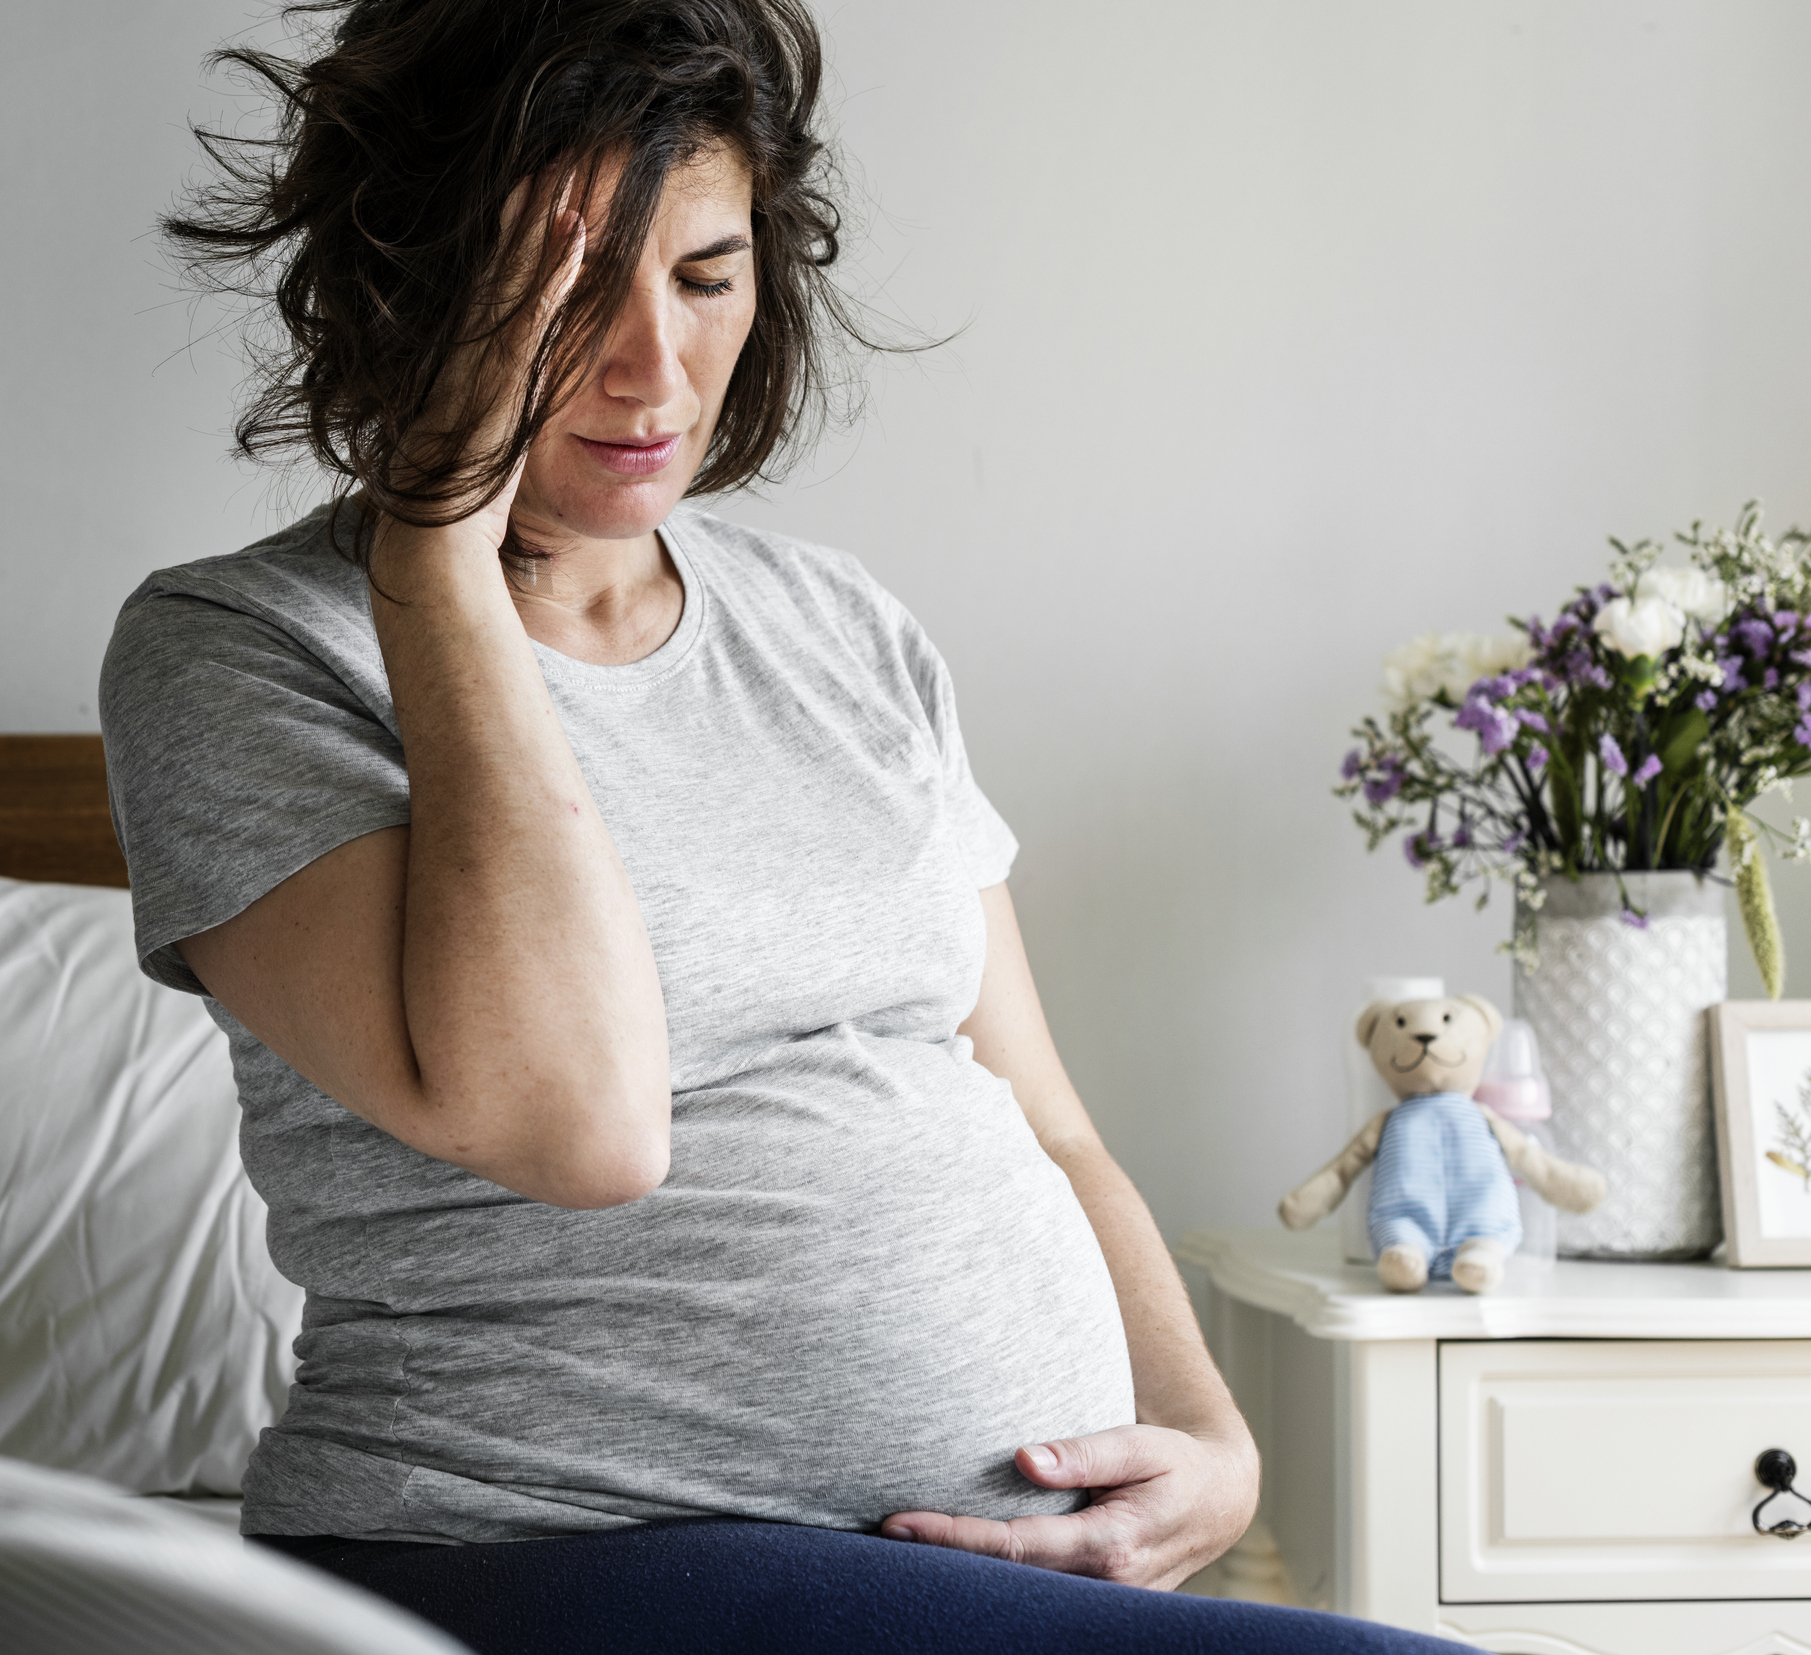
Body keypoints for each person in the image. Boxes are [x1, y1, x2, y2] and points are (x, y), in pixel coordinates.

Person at [101, 3, 1454, 1649]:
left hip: (960, 1568)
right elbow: (581, 1129)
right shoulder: (237, 654)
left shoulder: (841, 626)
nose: (649, 367)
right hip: (527, 1548)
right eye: (564, 289)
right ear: (413, 284)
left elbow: (1048, 1123)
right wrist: (436, 554)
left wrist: (1219, 1452)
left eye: (704, 273)